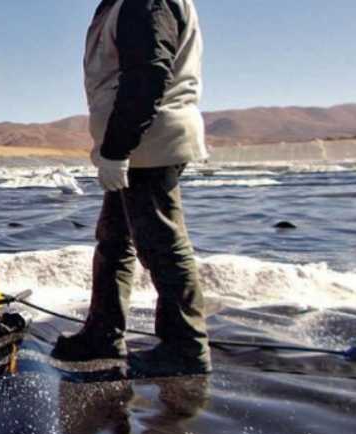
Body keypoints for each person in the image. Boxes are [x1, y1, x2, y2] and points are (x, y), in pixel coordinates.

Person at [51, 0, 211, 376]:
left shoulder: (146, 2)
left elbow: (149, 74)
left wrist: (117, 149)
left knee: (160, 244)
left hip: (148, 141)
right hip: (138, 140)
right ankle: (103, 332)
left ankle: (185, 347)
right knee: (114, 239)